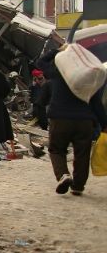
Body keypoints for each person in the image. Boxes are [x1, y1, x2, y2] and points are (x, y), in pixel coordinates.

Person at [36, 47, 107, 195]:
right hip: (85, 122)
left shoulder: (57, 74)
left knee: (56, 149)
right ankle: (78, 186)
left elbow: (40, 62)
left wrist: (57, 50)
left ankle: (63, 175)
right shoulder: (88, 80)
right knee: (82, 154)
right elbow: (97, 104)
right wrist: (105, 124)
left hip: (60, 119)